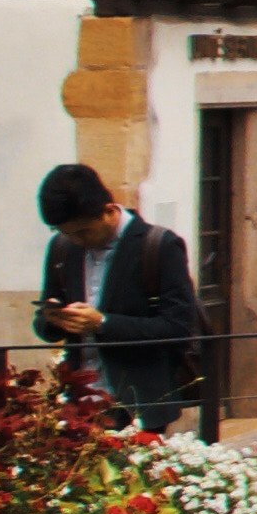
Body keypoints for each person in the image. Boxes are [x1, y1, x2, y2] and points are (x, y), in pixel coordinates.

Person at [32, 163, 206, 430]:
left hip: (139, 404)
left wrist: (102, 323)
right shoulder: (62, 248)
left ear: (109, 211)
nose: (76, 240)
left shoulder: (159, 245)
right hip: (79, 404)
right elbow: (44, 326)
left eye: (83, 232)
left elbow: (179, 327)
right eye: (67, 233)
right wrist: (55, 318)